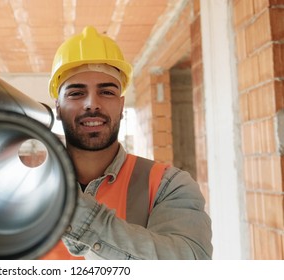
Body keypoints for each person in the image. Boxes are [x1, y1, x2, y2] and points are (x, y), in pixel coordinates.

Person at [41, 26, 213, 260]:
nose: (92, 104)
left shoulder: (167, 185)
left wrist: (69, 206)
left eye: (107, 92)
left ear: (122, 106)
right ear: (58, 108)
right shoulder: (24, 184)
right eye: (76, 93)